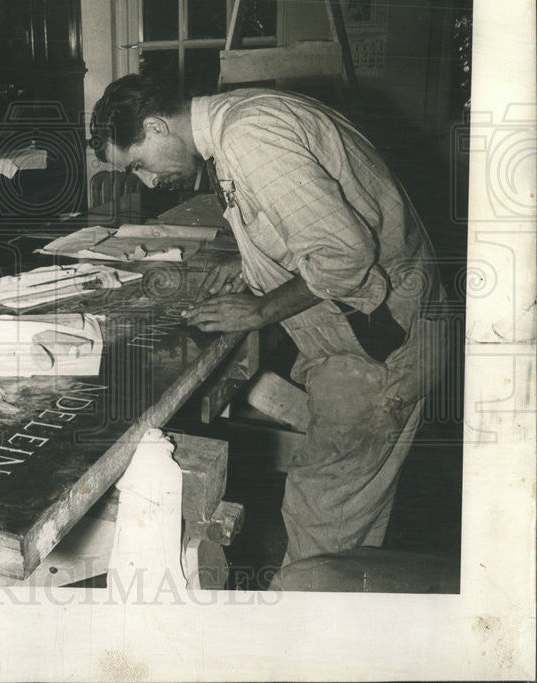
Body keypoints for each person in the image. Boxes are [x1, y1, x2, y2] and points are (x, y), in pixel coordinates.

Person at [90, 74, 444, 567]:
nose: (149, 182)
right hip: (377, 328)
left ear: (155, 126)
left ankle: (306, 629)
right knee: (336, 505)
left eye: (139, 165)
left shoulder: (249, 136)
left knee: (325, 512)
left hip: (384, 345)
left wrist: (258, 310)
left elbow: (345, 257)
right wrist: (251, 263)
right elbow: (301, 220)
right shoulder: (239, 117)